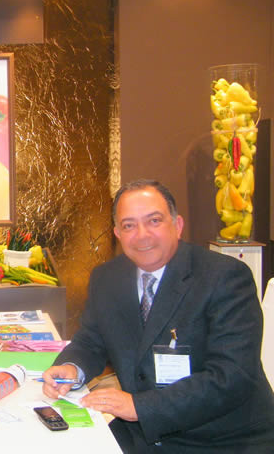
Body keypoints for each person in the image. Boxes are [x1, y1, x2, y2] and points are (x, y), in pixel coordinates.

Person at [42, 179, 274, 453]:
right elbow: (91, 340)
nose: (142, 235)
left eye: (154, 221)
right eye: (129, 225)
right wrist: (72, 368)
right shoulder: (107, 278)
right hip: (142, 435)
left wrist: (139, 407)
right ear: (117, 233)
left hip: (221, 440)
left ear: (177, 225)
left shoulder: (225, 277)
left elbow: (231, 377)